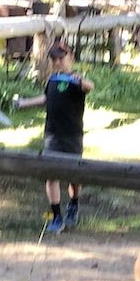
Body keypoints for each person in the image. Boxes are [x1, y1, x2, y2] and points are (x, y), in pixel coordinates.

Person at [41, 38, 92, 233]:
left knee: (73, 175)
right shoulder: (52, 80)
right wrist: (23, 103)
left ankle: (74, 203)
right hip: (52, 134)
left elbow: (89, 86)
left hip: (72, 135)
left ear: (70, 57)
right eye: (54, 59)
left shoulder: (75, 79)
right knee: (51, 176)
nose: (57, 62)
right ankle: (56, 216)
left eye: (61, 58)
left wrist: (80, 81)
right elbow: (46, 99)